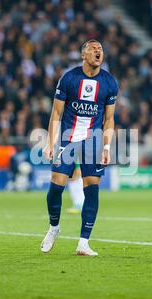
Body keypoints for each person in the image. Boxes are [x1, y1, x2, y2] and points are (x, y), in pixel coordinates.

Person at [41, 39, 118, 256]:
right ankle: (54, 227)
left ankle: (83, 242)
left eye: (101, 49)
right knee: (56, 185)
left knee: (92, 187)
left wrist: (106, 147)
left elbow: (109, 119)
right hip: (68, 137)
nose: (98, 51)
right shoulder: (69, 78)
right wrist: (50, 143)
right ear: (83, 54)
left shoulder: (110, 83)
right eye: (93, 48)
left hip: (93, 141)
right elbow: (56, 113)